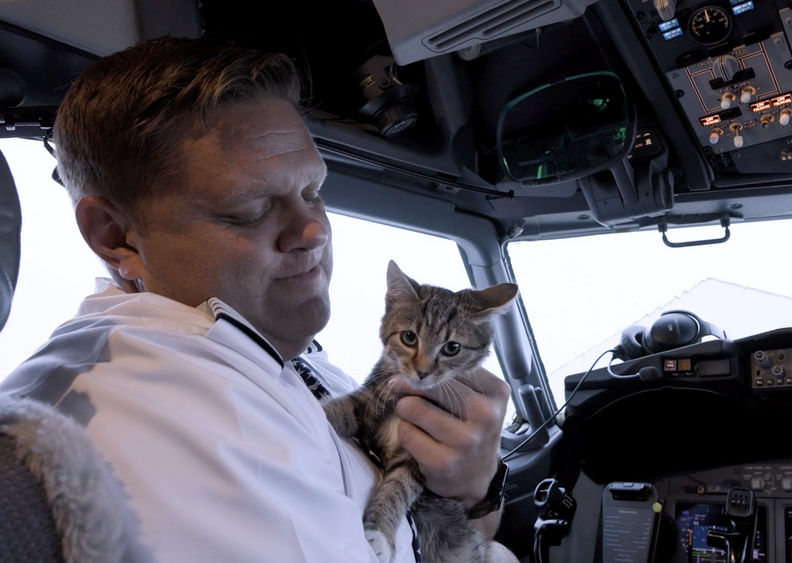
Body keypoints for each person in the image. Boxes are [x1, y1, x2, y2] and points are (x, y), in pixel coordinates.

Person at [0, 37, 513, 562]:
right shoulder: (170, 420)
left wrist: (476, 488)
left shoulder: (271, 351)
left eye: (313, 192)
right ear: (116, 237)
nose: (314, 230)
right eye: (249, 207)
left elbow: (456, 529)